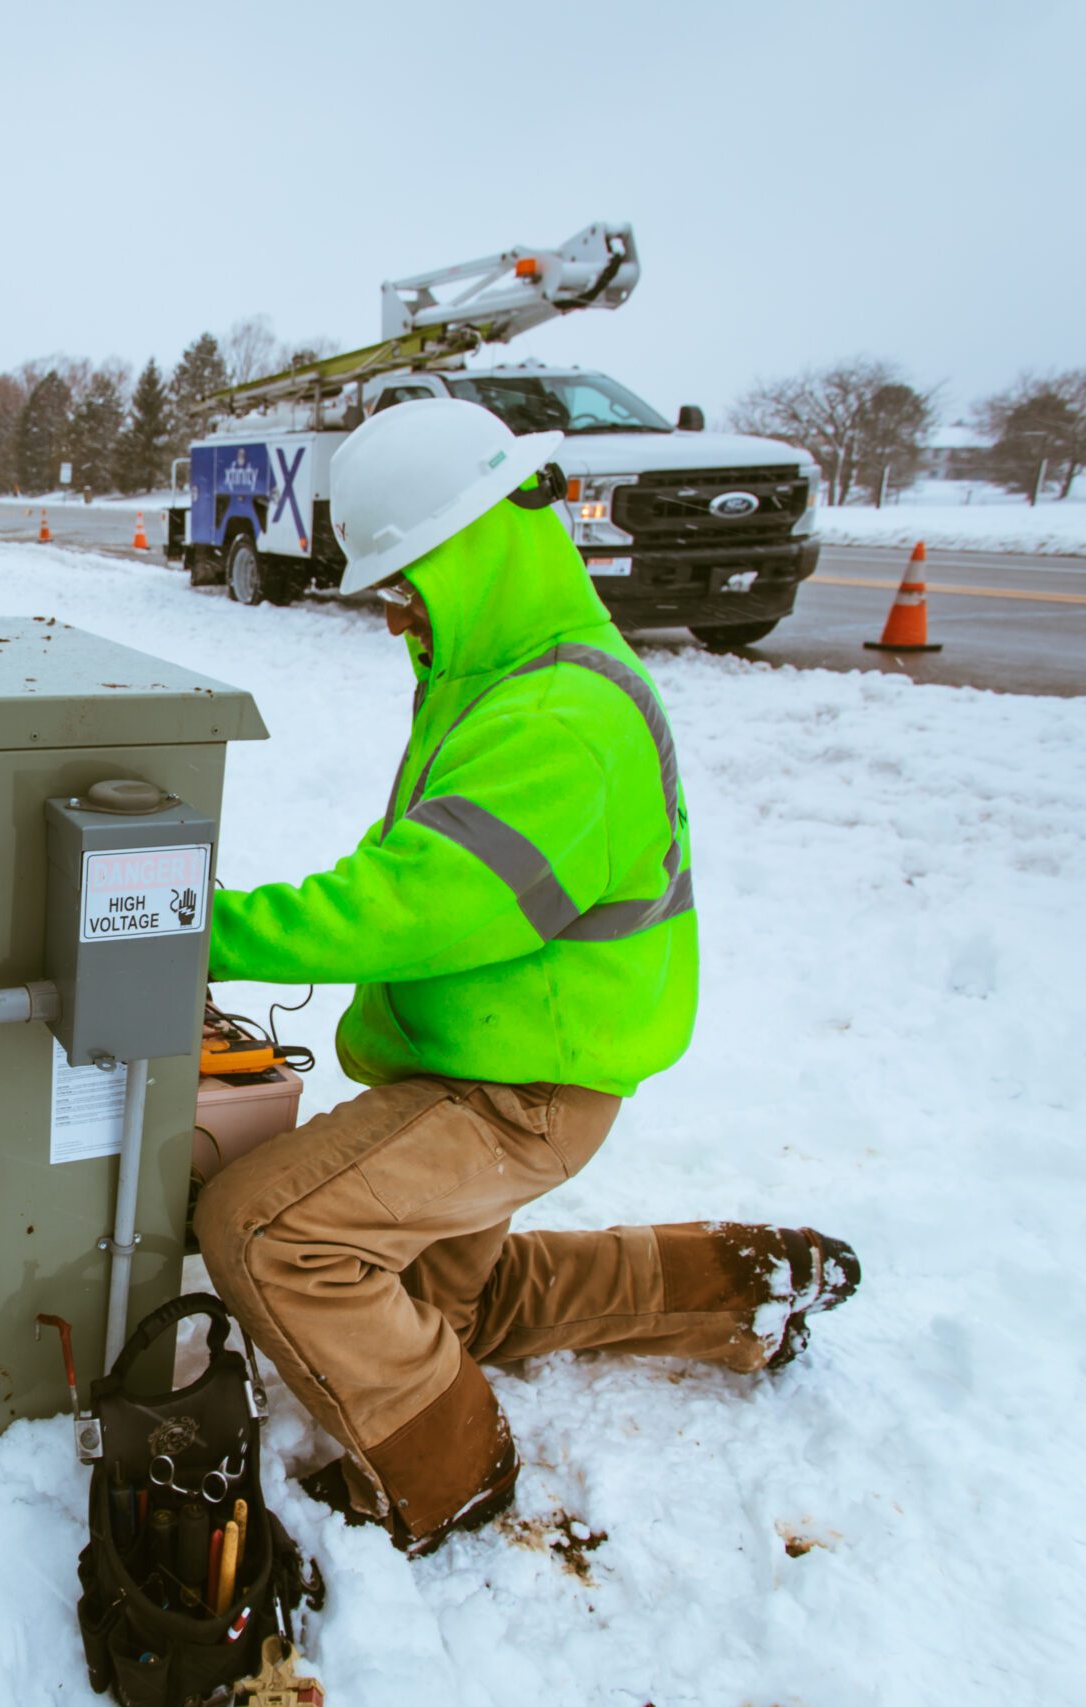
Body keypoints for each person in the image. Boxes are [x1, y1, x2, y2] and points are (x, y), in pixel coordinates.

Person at [193, 399, 860, 1556]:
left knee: (265, 1230)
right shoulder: (499, 675)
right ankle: (734, 1286)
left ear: (476, 548)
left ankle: (446, 1470)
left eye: (405, 573)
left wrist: (194, 933)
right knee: (456, 1303)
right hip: (490, 1066)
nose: (393, 603)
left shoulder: (560, 715)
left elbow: (417, 899)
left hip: (511, 1093)